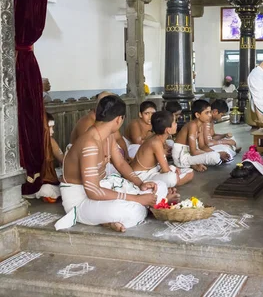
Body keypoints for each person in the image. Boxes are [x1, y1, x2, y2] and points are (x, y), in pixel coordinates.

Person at [55, 95, 175, 232]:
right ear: (119, 119)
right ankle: (139, 209)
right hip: (81, 201)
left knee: (159, 186)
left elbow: (121, 163)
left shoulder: (108, 136)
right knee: (133, 210)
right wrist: (136, 199)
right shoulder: (90, 143)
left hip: (103, 187)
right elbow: (93, 192)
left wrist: (140, 184)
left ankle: (135, 210)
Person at [131, 111, 194, 188]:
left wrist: (173, 168)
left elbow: (163, 166)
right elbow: (166, 170)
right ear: (168, 130)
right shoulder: (156, 142)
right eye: (174, 123)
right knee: (172, 178)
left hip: (153, 170)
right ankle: (167, 184)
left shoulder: (158, 138)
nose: (176, 124)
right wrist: (172, 171)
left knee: (189, 172)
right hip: (141, 176)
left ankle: (169, 182)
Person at [70, 91, 130, 166]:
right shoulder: (87, 123)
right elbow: (86, 156)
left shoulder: (109, 121)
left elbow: (119, 139)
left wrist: (126, 156)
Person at [172, 99, 230, 171]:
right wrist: (218, 153)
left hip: (188, 154)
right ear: (197, 115)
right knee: (215, 157)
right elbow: (193, 151)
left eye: (210, 112)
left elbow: (201, 146)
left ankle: (193, 164)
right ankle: (192, 163)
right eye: (207, 113)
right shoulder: (193, 125)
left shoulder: (200, 125)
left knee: (217, 154)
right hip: (181, 157)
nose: (210, 115)